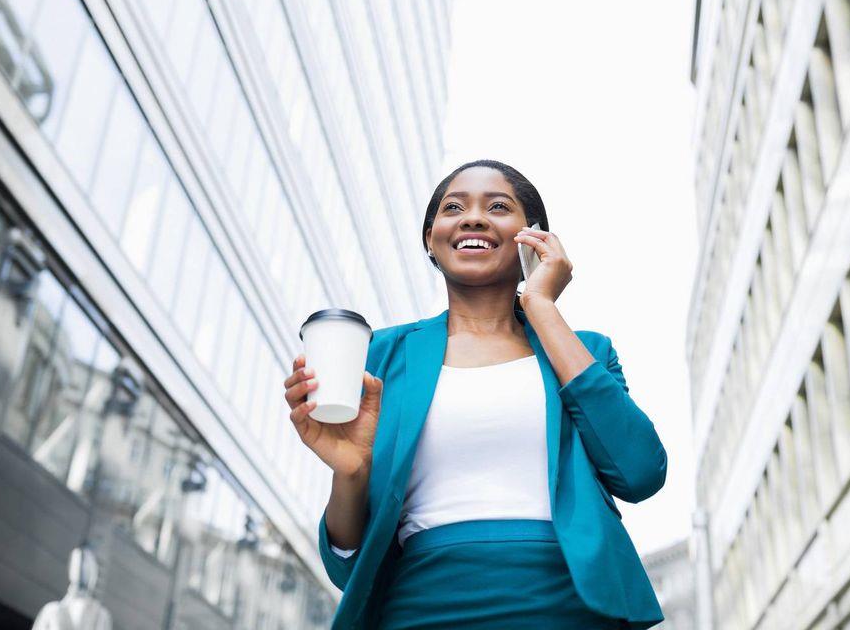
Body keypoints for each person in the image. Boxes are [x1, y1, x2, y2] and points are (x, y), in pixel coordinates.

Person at [283, 160, 667, 629]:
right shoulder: (380, 355)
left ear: (534, 239)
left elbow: (641, 473)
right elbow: (348, 564)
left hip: (570, 610)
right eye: (454, 208)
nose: (473, 217)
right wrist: (351, 472)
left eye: (499, 206)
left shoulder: (585, 350)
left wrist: (542, 307)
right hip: (421, 608)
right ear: (431, 238)